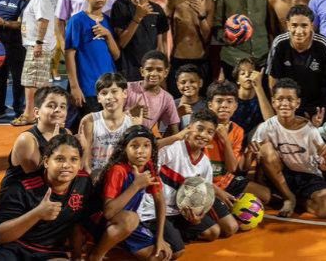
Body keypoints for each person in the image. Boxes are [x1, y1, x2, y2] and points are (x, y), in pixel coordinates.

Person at [0, 134, 118, 260]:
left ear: (80, 162)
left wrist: (77, 256)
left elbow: (77, 223)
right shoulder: (22, 188)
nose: (66, 165)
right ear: (46, 161)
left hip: (50, 253)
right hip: (14, 249)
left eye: (74, 159)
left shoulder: (83, 183)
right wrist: (37, 214)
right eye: (60, 159)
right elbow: (0, 235)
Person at [138, 110, 239, 245]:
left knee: (213, 232)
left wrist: (198, 216)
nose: (203, 135)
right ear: (189, 128)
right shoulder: (173, 149)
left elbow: (205, 195)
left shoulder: (205, 164)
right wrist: (175, 137)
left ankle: (174, 233)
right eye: (200, 129)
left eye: (210, 132)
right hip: (155, 209)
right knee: (175, 251)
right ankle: (147, 231)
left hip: (179, 211)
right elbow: (148, 150)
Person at [251, 78, 326, 218]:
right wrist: (252, 153)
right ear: (273, 102)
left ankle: (297, 201)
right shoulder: (265, 127)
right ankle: (288, 197)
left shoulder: (310, 130)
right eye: (280, 99)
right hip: (281, 175)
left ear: (298, 103)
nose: (285, 103)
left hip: (308, 176)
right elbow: (255, 161)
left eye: (290, 99)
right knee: (265, 149)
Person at [98, 126, 175, 260]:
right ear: (125, 149)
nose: (141, 151)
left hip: (126, 224)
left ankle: (116, 247)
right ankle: (95, 255)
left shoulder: (149, 167)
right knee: (132, 219)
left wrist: (160, 238)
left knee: (164, 255)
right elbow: (108, 212)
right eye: (134, 146)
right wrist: (136, 185)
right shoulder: (118, 170)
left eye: (146, 146)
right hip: (104, 222)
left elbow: (160, 201)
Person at [266, 5, 326, 117]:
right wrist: (277, 109)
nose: (299, 31)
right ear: (287, 25)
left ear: (312, 26)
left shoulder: (323, 44)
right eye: (294, 25)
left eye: (304, 25)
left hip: (317, 106)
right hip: (289, 105)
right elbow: (273, 78)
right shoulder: (279, 43)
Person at [203, 80, 272, 203]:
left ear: (235, 106)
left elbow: (233, 168)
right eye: (219, 101)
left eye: (229, 101)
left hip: (226, 180)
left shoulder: (237, 130)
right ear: (210, 105)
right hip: (204, 182)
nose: (224, 105)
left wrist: (226, 140)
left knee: (265, 195)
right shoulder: (202, 128)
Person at [65, 0, 121, 121]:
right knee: (85, 128)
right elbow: (69, 54)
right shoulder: (77, 20)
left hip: (108, 88)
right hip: (88, 87)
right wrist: (74, 87)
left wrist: (108, 35)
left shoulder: (108, 22)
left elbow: (116, 55)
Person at [13, 0, 56, 126]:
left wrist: (38, 42)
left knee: (31, 82)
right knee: (39, 82)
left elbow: (43, 21)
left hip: (38, 46)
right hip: (38, 45)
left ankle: (29, 114)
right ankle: (42, 113)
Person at [111, 0, 169, 82]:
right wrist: (138, 17)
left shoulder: (157, 9)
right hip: (127, 71)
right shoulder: (121, 5)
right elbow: (121, 43)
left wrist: (163, 69)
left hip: (150, 73)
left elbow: (161, 44)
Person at [79, 73, 139, 180]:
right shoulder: (89, 120)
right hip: (93, 177)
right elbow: (84, 154)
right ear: (98, 98)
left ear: (125, 93)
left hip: (120, 178)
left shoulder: (133, 123)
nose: (109, 97)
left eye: (114, 91)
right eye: (104, 93)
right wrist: (90, 175)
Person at [4, 86, 69, 183]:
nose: (58, 110)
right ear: (36, 112)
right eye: (51, 106)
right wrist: (54, 146)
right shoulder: (26, 140)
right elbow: (39, 178)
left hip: (51, 190)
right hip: (22, 194)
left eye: (62, 106)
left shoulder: (67, 133)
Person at [165, 0, 213, 95]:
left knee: (200, 101)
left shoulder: (208, 3)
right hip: (178, 59)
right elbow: (163, 30)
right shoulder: (174, 0)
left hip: (200, 60)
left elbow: (208, 36)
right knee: (177, 101)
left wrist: (202, 16)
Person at [125, 51, 180, 135]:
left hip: (144, 141)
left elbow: (174, 131)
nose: (154, 74)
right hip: (119, 137)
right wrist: (129, 114)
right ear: (142, 71)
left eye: (159, 70)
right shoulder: (127, 88)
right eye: (149, 69)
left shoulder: (167, 98)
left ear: (166, 72)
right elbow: (107, 117)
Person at [231, 58, 272, 136]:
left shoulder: (262, 97)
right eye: (243, 73)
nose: (247, 75)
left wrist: (258, 86)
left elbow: (271, 123)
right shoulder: (230, 98)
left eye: (251, 72)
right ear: (237, 81)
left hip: (255, 138)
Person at [38, 0, 64, 81]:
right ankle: (47, 71)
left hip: (55, 23)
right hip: (41, 23)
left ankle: (55, 69)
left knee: (58, 47)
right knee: (45, 48)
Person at [174, 64, 206, 130]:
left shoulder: (208, 105)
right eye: (183, 82)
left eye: (192, 82)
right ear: (178, 85)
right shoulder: (170, 105)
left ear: (200, 83)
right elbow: (164, 136)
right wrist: (176, 116)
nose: (187, 85)